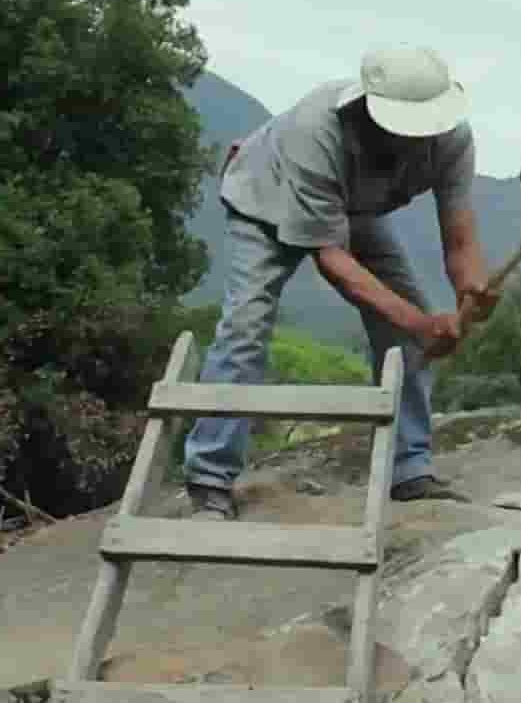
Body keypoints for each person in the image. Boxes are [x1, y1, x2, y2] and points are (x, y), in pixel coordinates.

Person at [182, 46, 498, 519]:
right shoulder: (319, 130)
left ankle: (410, 468)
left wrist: (471, 293)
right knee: (246, 326)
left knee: (403, 331)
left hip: (350, 210)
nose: (420, 137)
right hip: (264, 201)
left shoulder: (453, 141)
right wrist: (419, 322)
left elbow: (458, 235)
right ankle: (210, 474)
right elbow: (332, 260)